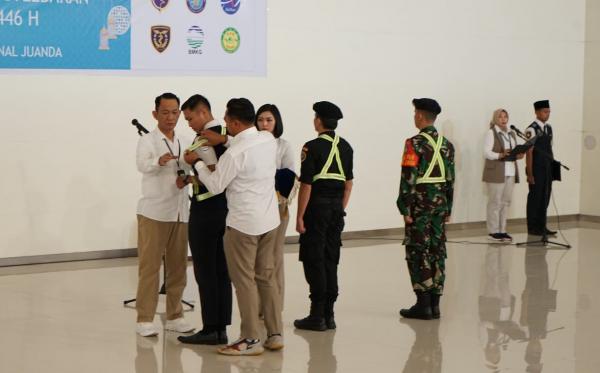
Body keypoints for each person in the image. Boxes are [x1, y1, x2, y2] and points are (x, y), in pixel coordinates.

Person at [184, 98, 283, 356]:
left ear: (236, 122)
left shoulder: (235, 153)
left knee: (244, 281)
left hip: (243, 225)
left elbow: (216, 184)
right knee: (266, 277)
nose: (224, 124)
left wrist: (196, 162)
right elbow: (242, 143)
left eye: (227, 121)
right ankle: (274, 334)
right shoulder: (267, 139)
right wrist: (225, 140)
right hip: (270, 221)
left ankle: (250, 339)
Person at [135, 92, 194, 337]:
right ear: (155, 114)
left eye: (174, 112)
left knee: (178, 267)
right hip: (155, 212)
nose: (170, 117)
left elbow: (189, 167)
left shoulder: (185, 139)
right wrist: (158, 162)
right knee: (149, 268)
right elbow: (141, 165)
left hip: (180, 212)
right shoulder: (148, 140)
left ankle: (174, 315)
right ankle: (144, 319)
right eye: (165, 112)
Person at [177, 94, 232, 346]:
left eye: (189, 118)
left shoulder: (205, 138)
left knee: (205, 270)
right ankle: (221, 326)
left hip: (207, 209)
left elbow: (212, 174)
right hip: (225, 210)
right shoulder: (226, 133)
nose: (188, 123)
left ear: (202, 112)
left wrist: (193, 160)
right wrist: (190, 179)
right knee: (221, 270)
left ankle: (211, 328)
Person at [294, 101, 353, 331]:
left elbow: (306, 185)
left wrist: (300, 216)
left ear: (318, 121)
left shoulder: (311, 147)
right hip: (336, 209)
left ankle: (316, 315)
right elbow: (348, 185)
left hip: (316, 209)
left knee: (313, 257)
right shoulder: (346, 147)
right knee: (331, 257)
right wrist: (340, 207)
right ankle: (329, 314)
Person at [397, 98, 455, 320]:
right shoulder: (447, 145)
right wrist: (448, 208)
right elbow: (451, 179)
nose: (414, 117)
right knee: (437, 250)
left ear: (420, 116)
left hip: (420, 205)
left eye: (415, 113)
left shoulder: (414, 143)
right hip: (440, 205)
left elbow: (408, 177)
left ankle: (423, 304)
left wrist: (405, 207)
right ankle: (435, 303)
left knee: (418, 250)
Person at [255, 104, 296, 312]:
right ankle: (259, 306)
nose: (264, 124)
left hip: (277, 207)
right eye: (260, 119)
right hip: (255, 208)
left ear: (276, 121)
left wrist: (263, 175)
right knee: (257, 259)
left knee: (274, 257)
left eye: (269, 120)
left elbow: (288, 177)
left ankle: (274, 305)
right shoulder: (251, 144)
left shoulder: (283, 146)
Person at [483, 109, 523, 242]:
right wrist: (500, 154)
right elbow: (487, 153)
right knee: (495, 202)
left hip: (510, 171)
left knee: (505, 202)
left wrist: (518, 154)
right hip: (496, 172)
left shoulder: (511, 133)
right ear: (495, 118)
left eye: (505, 116)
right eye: (500, 117)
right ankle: (493, 232)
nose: (503, 119)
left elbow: (512, 151)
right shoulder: (491, 132)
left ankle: (502, 230)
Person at [525, 100, 557, 236]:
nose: (547, 114)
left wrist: (553, 166)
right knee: (535, 197)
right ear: (537, 112)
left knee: (546, 196)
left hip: (547, 168)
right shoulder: (531, 129)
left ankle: (542, 225)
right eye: (545, 111)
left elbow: (550, 148)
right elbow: (529, 152)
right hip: (536, 168)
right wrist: (530, 173)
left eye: (549, 111)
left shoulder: (549, 128)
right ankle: (533, 227)